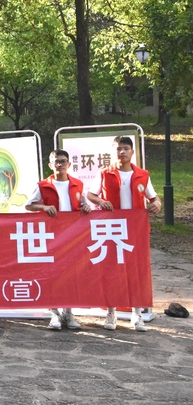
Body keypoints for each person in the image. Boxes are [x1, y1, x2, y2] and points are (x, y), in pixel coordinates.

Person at [86, 136, 161, 332]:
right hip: (112, 231)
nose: (122, 152)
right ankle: (111, 313)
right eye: (119, 149)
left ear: (132, 152)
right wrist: (101, 202)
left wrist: (157, 204)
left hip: (136, 231)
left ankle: (137, 314)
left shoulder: (142, 175)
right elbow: (91, 195)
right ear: (114, 152)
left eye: (126, 148)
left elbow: (154, 198)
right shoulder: (105, 173)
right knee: (111, 272)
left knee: (136, 272)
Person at [25, 149, 91, 330]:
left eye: (63, 161)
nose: (60, 164)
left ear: (69, 164)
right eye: (56, 161)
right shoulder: (43, 185)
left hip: (72, 237)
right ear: (50, 165)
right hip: (51, 237)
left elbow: (84, 204)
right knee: (52, 274)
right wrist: (44, 207)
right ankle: (54, 313)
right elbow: (28, 206)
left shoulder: (78, 184)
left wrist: (86, 208)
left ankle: (68, 312)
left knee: (71, 274)